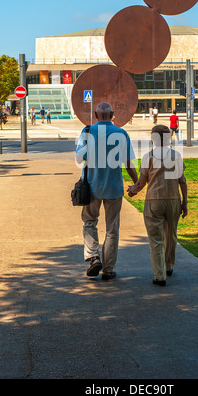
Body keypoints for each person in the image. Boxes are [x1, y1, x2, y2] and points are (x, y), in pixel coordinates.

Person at [76, 102, 138, 280]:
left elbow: (80, 158)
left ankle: (94, 257)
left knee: (89, 222)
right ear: (112, 115)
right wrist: (137, 185)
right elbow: (129, 164)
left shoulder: (87, 132)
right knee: (112, 229)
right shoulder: (121, 133)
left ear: (96, 115)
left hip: (92, 186)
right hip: (114, 187)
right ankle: (109, 269)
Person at [127, 124, 188, 287]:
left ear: (153, 139)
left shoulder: (149, 156)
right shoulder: (176, 155)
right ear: (169, 139)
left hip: (154, 200)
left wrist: (132, 190)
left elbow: (141, 182)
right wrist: (185, 203)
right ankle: (169, 266)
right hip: (174, 200)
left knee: (156, 239)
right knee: (171, 235)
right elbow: (182, 181)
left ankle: (159, 275)